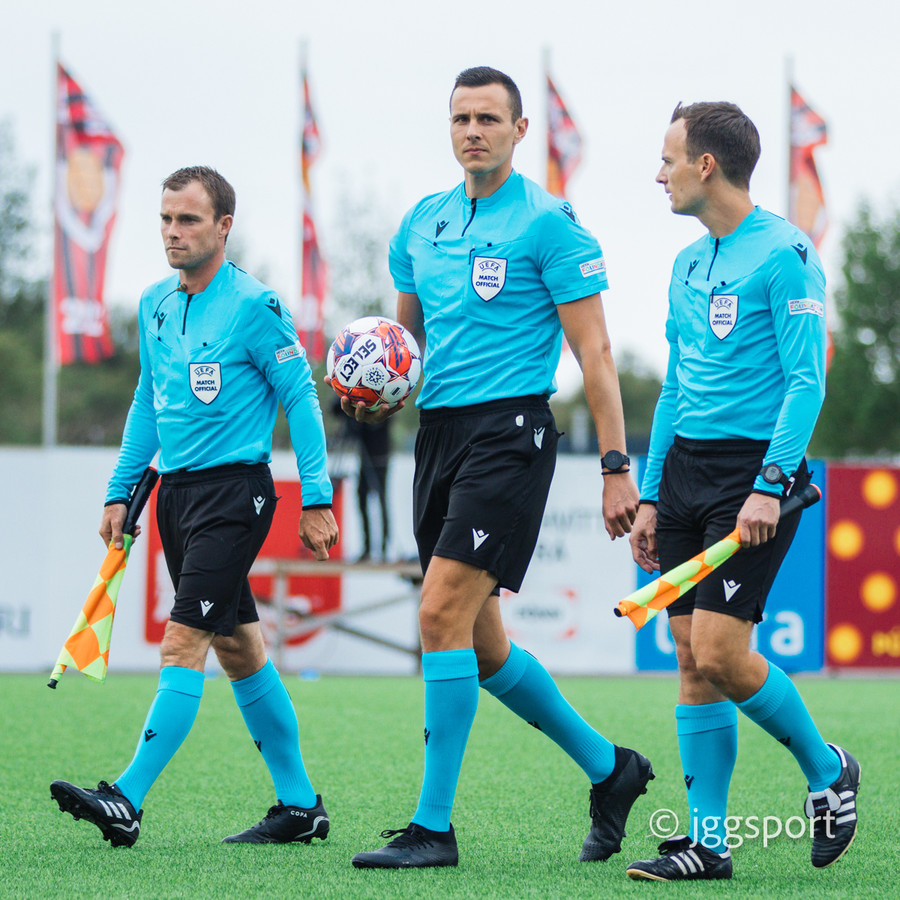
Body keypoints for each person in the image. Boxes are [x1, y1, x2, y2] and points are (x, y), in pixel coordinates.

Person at [342, 66, 651, 870]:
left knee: (438, 614)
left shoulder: (549, 224)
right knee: (480, 649)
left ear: (519, 130)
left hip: (511, 433)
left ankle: (432, 829)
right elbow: (403, 349)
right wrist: (370, 393)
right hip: (437, 437)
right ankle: (611, 769)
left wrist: (616, 465)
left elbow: (596, 353)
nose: (473, 130)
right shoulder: (420, 224)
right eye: (461, 118)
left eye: (488, 118)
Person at [50, 166, 339, 848]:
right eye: (165, 219)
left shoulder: (255, 305)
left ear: (223, 226)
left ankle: (126, 799)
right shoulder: (154, 302)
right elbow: (146, 404)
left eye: (188, 219)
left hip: (235, 494)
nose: (172, 232)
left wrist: (317, 497)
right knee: (239, 648)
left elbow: (301, 397)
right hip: (175, 497)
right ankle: (301, 806)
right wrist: (120, 490)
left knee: (183, 641)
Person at [625, 103, 859, 881]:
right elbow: (674, 387)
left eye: (668, 159)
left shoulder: (787, 253)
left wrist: (769, 484)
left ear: (706, 165)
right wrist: (651, 494)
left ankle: (828, 770)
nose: (658, 174)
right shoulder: (686, 263)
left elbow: (806, 381)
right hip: (684, 475)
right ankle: (709, 844)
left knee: (723, 653)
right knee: (691, 659)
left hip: (754, 477)